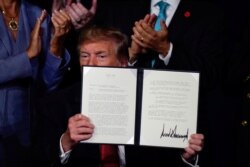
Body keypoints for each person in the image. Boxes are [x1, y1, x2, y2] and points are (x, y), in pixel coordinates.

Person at [32, 26, 204, 167]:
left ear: (123, 63)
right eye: (84, 56)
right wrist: (66, 141)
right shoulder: (57, 103)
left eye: (101, 56)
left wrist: (186, 157)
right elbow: (40, 159)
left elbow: (165, 162)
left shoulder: (149, 103)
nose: (90, 64)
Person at [0, 0, 71, 166]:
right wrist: (27, 56)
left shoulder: (36, 14)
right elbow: (30, 57)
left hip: (26, 138)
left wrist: (56, 41)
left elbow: (46, 83)